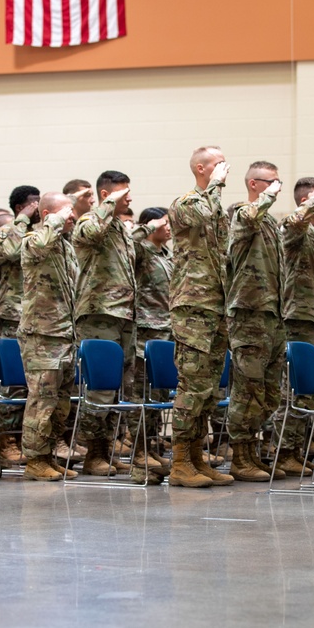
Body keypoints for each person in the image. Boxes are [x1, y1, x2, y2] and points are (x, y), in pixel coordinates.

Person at [167, 147, 232, 488]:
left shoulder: (216, 208)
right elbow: (204, 215)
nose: (226, 166)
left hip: (216, 306)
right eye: (219, 162)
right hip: (192, 306)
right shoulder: (186, 204)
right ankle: (179, 463)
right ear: (200, 167)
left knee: (209, 389)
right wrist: (216, 186)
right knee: (192, 386)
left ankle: (196, 458)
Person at [72, 170, 138, 477]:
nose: (130, 199)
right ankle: (92, 453)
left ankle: (108, 449)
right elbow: (91, 235)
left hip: (124, 315)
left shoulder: (122, 228)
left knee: (120, 388)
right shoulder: (89, 221)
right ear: (105, 195)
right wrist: (107, 205)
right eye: (123, 194)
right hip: (99, 314)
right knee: (99, 389)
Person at [224, 161, 286, 484]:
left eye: (279, 182)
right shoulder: (241, 215)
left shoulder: (271, 224)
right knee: (247, 389)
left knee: (269, 392)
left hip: (273, 314)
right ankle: (240, 454)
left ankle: (253, 447)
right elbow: (248, 217)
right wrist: (268, 199)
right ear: (253, 185)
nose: (277, 187)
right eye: (271, 182)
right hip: (248, 313)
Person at [271, 177, 314, 478]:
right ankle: (283, 452)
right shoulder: (295, 230)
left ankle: (298, 450)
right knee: (294, 389)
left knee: (310, 390)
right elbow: (292, 226)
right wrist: (310, 206)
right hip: (298, 316)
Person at [19, 193, 79, 481]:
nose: (72, 215)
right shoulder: (32, 241)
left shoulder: (66, 248)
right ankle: (35, 459)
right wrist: (54, 219)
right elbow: (41, 242)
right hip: (42, 335)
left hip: (65, 333)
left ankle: (49, 456)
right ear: (46, 215)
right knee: (41, 400)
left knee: (61, 402)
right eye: (66, 211)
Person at [0, 185, 40, 464]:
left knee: (33, 386)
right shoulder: (5, 235)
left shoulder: (38, 235)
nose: (38, 207)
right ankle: (7, 440)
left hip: (37, 317)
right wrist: (22, 219)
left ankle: (28, 439)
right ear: (20, 208)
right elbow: (11, 251)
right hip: (11, 316)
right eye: (32, 204)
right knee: (12, 383)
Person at [131, 206, 174, 482]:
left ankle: (153, 445)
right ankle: (138, 450)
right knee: (142, 393)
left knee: (157, 395)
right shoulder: (141, 251)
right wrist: (147, 226)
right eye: (165, 223)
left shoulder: (167, 255)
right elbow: (131, 241)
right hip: (146, 329)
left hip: (166, 330)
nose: (170, 228)